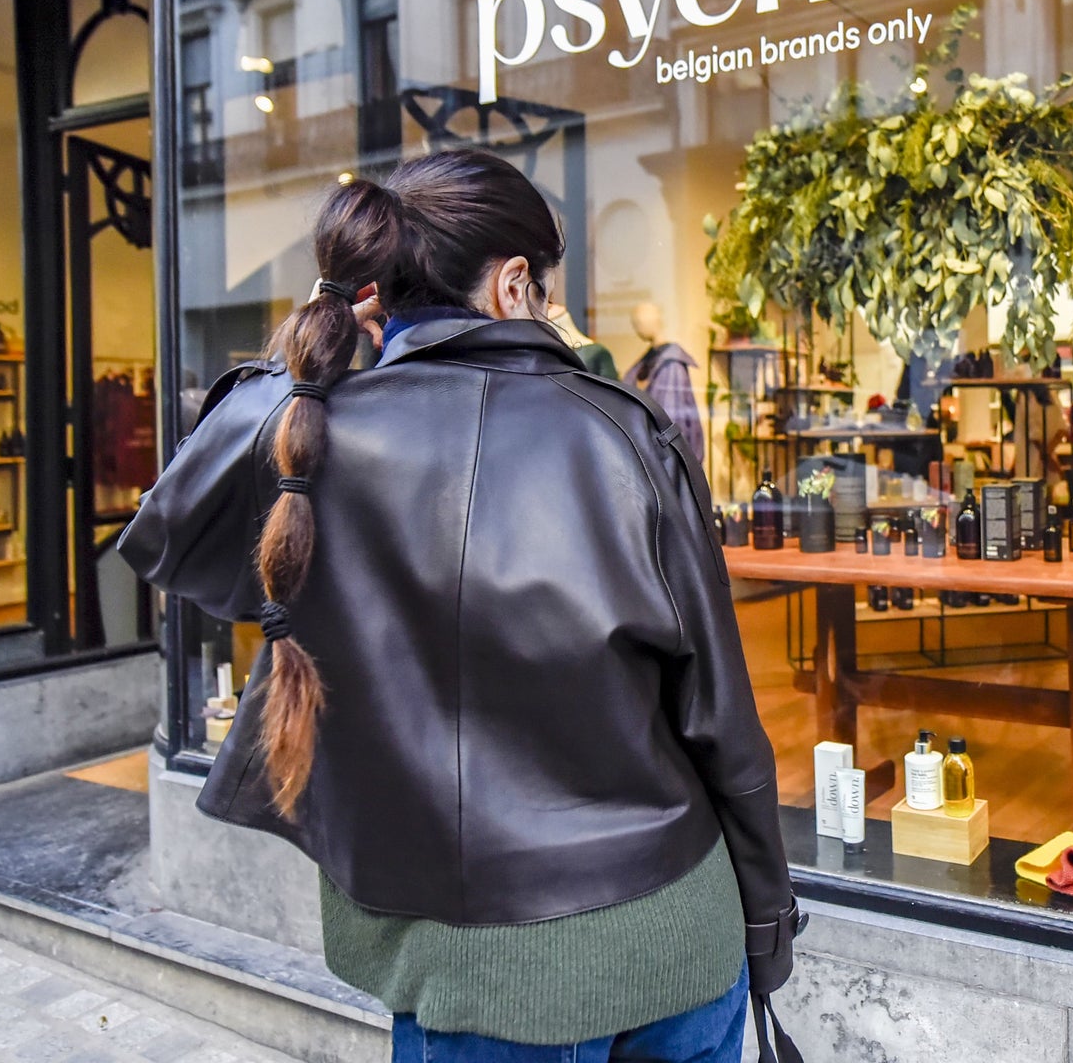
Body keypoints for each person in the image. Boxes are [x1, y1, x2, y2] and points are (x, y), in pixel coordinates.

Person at [118, 150, 800, 1063]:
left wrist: (314, 345)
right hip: (672, 931)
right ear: (514, 283)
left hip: (472, 976)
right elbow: (720, 716)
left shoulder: (314, 441)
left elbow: (165, 534)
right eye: (545, 289)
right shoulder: (627, 432)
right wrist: (765, 920)